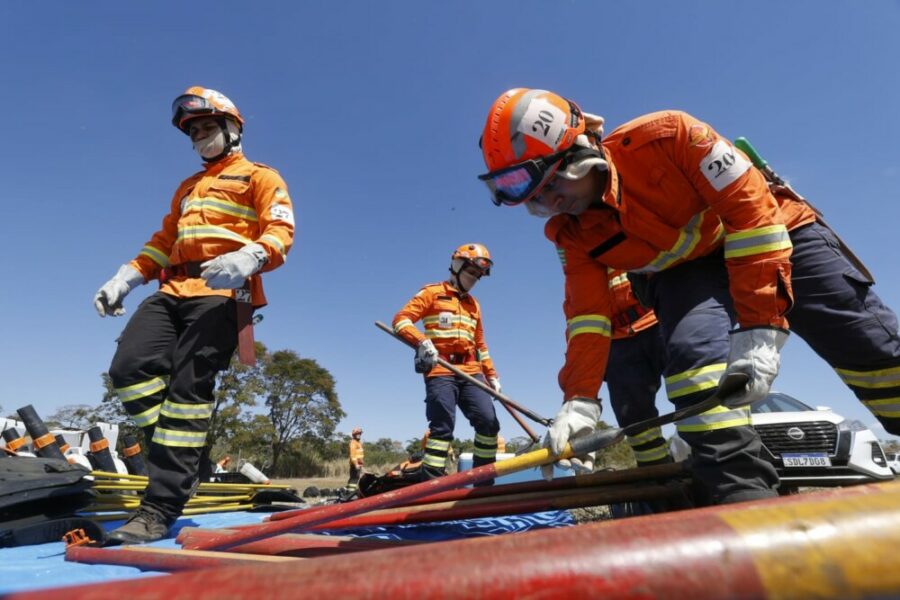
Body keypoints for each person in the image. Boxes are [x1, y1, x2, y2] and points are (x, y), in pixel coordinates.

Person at [478, 88, 900, 505]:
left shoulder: (671, 136)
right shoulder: (572, 234)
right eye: (536, 201)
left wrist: (759, 327)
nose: (552, 206)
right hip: (684, 273)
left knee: (860, 336)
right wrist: (580, 400)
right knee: (694, 365)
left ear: (579, 152)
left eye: (554, 188)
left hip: (771, 230)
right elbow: (587, 316)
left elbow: (753, 217)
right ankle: (746, 506)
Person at [93, 86, 295, 542]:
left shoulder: (260, 176)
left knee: (189, 388)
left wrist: (253, 257)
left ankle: (159, 508)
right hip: (174, 288)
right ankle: (187, 448)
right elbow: (164, 241)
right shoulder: (187, 187)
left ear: (232, 128)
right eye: (193, 132)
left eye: (206, 127)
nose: (199, 137)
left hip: (223, 293)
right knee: (128, 367)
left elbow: (282, 229)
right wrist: (126, 276)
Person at [392, 244, 502, 485]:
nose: (474, 280)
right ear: (457, 266)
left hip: (472, 372)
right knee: (442, 428)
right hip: (441, 369)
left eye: (478, 276)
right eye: (471, 273)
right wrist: (422, 341)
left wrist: (492, 375)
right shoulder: (431, 293)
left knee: (489, 422)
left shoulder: (475, 305)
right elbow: (400, 321)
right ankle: (431, 487)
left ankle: (482, 486)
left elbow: (480, 345)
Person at [347, 427, 365, 492]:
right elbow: (353, 455)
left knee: (355, 478)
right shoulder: (353, 442)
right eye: (357, 434)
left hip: (359, 464)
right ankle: (350, 492)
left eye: (360, 434)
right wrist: (356, 464)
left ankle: (349, 492)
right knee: (354, 479)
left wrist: (361, 463)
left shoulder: (358, 443)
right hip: (355, 465)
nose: (359, 435)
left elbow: (360, 454)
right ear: (354, 435)